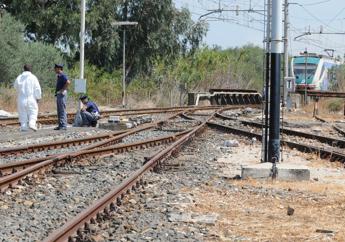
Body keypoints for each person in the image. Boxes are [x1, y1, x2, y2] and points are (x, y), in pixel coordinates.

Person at [14, 64, 42, 131]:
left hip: (21, 99)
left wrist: (20, 92)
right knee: (33, 112)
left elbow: (15, 86)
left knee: (22, 114)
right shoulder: (33, 77)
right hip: (31, 98)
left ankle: (24, 127)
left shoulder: (19, 77)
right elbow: (37, 89)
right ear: (30, 69)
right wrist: (38, 97)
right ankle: (32, 124)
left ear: (24, 69)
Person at [54, 64, 70, 130]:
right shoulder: (59, 76)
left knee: (62, 110)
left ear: (59, 69)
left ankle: (63, 126)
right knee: (59, 110)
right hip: (59, 95)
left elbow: (68, 82)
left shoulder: (63, 75)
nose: (54, 69)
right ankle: (60, 125)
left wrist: (63, 89)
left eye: (55, 68)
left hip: (62, 95)